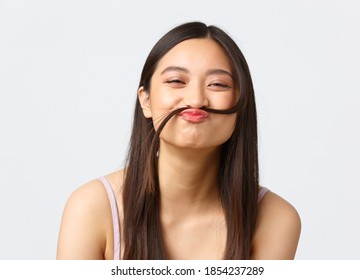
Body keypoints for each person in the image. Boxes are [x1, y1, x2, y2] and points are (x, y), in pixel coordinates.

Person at [57, 21, 301, 260]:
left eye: (217, 84)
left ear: (241, 105)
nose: (196, 99)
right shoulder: (91, 208)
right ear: (146, 100)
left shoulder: (276, 218)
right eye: (176, 81)